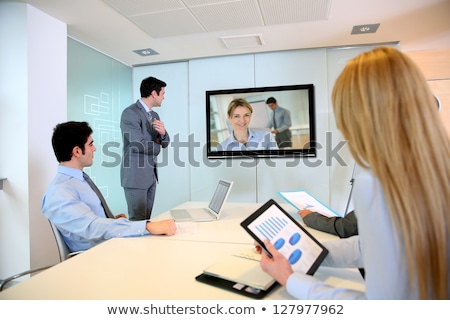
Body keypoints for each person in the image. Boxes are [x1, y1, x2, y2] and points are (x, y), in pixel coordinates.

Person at [259, 46, 450, 299]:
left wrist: (290, 279)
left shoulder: (376, 184)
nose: (340, 124)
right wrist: (307, 250)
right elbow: (370, 245)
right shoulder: (434, 168)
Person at [42, 121, 177, 253]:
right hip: (98, 256)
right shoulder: (60, 191)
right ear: (77, 151)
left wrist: (112, 221)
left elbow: (90, 219)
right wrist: (147, 226)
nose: (94, 149)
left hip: (110, 245)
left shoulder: (79, 180)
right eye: (90, 144)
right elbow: (92, 227)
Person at [120, 76, 170, 221]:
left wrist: (163, 134)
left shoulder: (154, 115)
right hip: (135, 177)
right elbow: (138, 144)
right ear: (154, 93)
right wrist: (157, 145)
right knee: (138, 221)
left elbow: (165, 142)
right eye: (163, 93)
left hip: (151, 176)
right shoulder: (130, 113)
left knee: (147, 221)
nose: (163, 97)